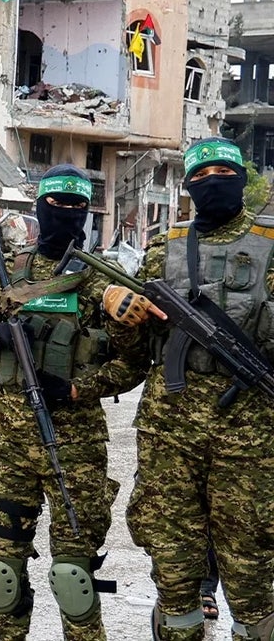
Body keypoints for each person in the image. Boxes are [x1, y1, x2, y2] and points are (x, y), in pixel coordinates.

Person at [0, 164, 147, 641]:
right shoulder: (12, 272)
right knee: (3, 573)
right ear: (40, 208)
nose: (67, 214)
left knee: (73, 577)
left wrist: (80, 389)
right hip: (11, 446)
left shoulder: (103, 281)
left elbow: (135, 364)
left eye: (78, 207)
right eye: (57, 204)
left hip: (76, 446)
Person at [112, 138, 274, 640]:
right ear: (188, 186)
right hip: (169, 433)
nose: (214, 183)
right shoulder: (166, 249)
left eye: (225, 173)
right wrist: (118, 307)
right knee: (174, 567)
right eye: (202, 176)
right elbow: (134, 349)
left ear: (242, 181)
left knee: (251, 572)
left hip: (249, 436)